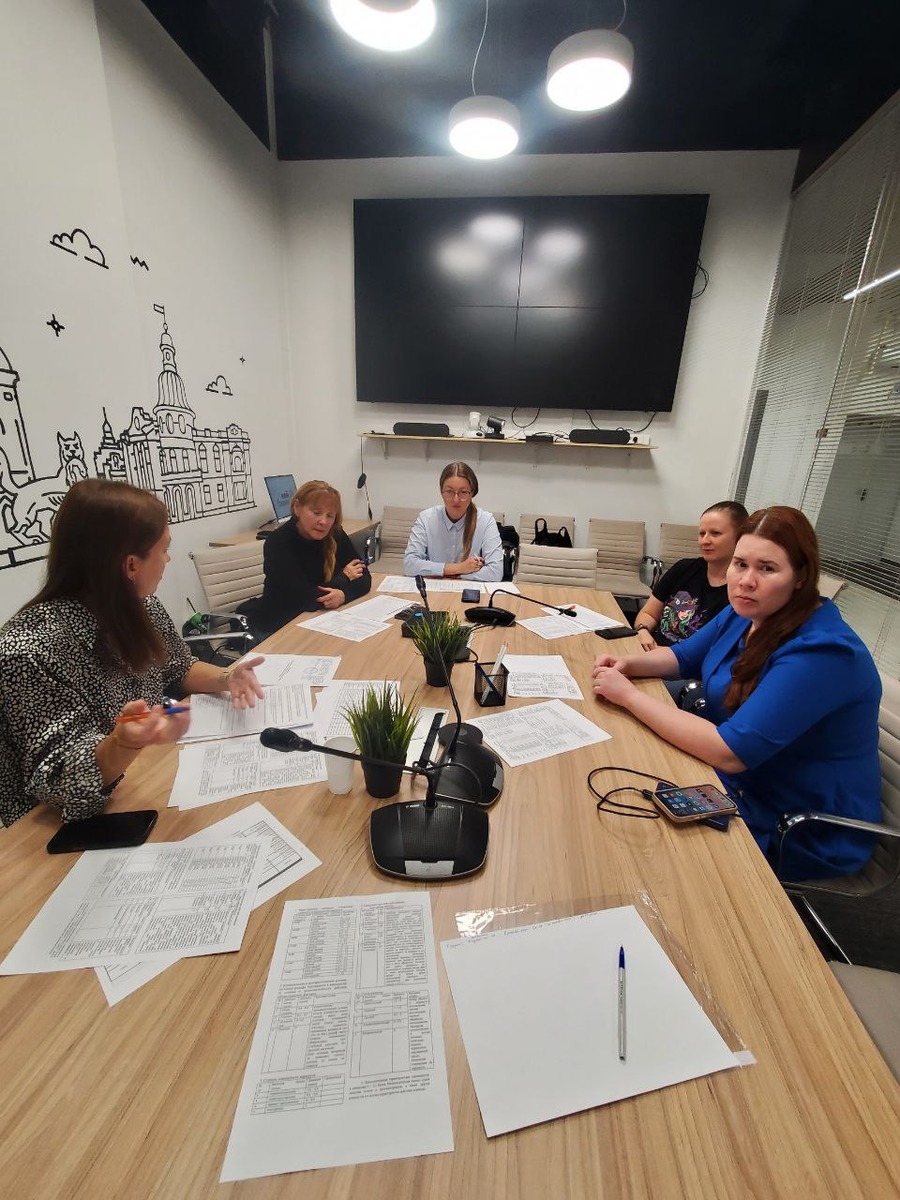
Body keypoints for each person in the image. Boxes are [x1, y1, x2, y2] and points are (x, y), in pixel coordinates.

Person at [592, 506, 882, 881]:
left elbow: (730, 752)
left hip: (798, 823)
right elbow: (682, 657)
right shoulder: (747, 612)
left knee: (638, 853)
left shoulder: (823, 653)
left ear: (801, 576)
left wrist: (629, 696)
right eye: (740, 564)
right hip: (744, 782)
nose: (746, 580)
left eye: (767, 568)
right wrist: (627, 664)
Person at [0, 479, 264, 827]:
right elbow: (59, 780)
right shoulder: (27, 650)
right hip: (53, 831)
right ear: (131, 566)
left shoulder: (144, 606)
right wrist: (123, 743)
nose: (168, 559)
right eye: (164, 549)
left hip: (145, 775)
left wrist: (228, 677)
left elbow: (178, 668)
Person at [252, 479, 371, 636]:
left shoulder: (335, 533)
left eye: (330, 515)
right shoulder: (278, 543)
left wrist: (343, 595)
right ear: (297, 508)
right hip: (280, 626)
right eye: (316, 513)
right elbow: (305, 599)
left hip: (320, 619)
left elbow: (365, 578)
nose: (323, 521)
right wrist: (345, 578)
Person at [632, 501, 748, 650]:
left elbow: (719, 651)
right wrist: (642, 631)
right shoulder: (684, 568)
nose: (705, 541)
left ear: (740, 537)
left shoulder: (742, 590)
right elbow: (649, 613)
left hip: (685, 663)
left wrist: (665, 656)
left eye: (715, 533)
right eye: (702, 533)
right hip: (650, 652)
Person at [403, 461, 503, 582]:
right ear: (441, 492)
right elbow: (409, 564)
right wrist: (460, 568)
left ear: (472, 494)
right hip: (432, 590)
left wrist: (451, 574)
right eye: (449, 492)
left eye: (463, 492)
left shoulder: (486, 521)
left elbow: (496, 572)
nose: (456, 500)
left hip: (469, 589)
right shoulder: (426, 519)